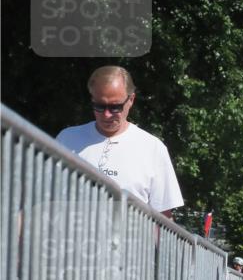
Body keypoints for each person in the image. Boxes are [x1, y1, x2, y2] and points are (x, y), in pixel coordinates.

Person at [56, 66, 184, 217]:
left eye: (115, 107)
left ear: (131, 100)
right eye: (99, 106)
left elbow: (164, 220)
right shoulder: (66, 139)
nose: (107, 114)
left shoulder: (153, 148)